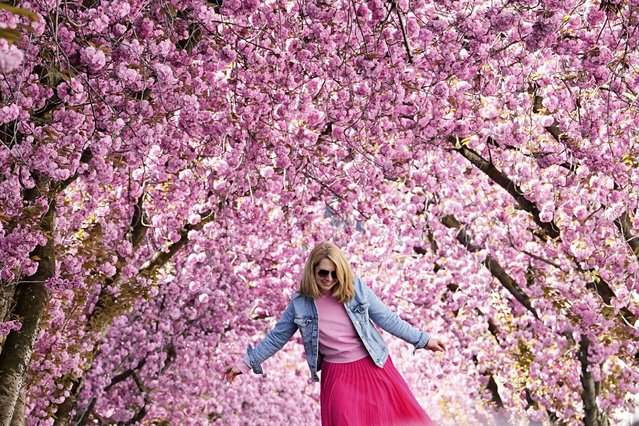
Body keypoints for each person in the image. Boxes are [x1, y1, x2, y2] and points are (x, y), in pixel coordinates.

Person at [223, 242, 446, 425]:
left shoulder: (355, 288)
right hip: (338, 375)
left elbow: (387, 319)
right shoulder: (300, 303)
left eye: (335, 273)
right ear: (313, 271)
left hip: (373, 367)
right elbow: (277, 337)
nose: (329, 278)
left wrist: (423, 340)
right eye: (323, 273)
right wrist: (245, 364)